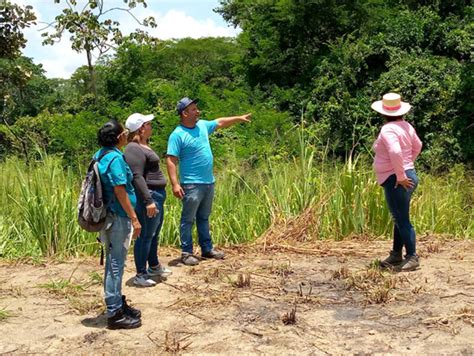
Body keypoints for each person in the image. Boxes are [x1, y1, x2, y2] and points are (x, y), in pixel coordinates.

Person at [166, 97, 251, 266]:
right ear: (184, 113)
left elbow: (219, 122)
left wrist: (238, 118)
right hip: (191, 184)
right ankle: (186, 252)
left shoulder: (202, 125)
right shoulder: (177, 135)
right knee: (188, 219)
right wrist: (175, 184)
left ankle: (207, 249)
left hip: (208, 182)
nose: (198, 111)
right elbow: (171, 160)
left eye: (197, 108)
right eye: (193, 109)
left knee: (204, 217)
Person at [96, 120, 142, 329]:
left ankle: (117, 303)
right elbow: (119, 189)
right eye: (123, 132)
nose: (126, 134)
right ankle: (114, 312)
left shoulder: (101, 155)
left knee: (114, 262)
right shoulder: (114, 158)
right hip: (118, 218)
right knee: (116, 264)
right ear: (118, 137)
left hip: (110, 216)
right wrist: (134, 217)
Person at [371, 93, 422, 271]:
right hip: (406, 175)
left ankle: (412, 256)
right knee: (400, 217)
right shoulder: (406, 126)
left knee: (401, 219)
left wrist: (400, 174)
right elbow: (418, 146)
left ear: (384, 112)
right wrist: (408, 166)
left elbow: (394, 151)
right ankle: (395, 254)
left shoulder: (388, 129)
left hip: (396, 179)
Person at [124, 113, 172, 287]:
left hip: (157, 194)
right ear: (141, 127)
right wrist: (148, 200)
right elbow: (137, 176)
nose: (151, 127)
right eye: (149, 124)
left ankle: (153, 266)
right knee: (145, 235)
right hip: (149, 196)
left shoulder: (144, 146)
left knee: (154, 234)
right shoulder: (133, 148)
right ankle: (140, 274)